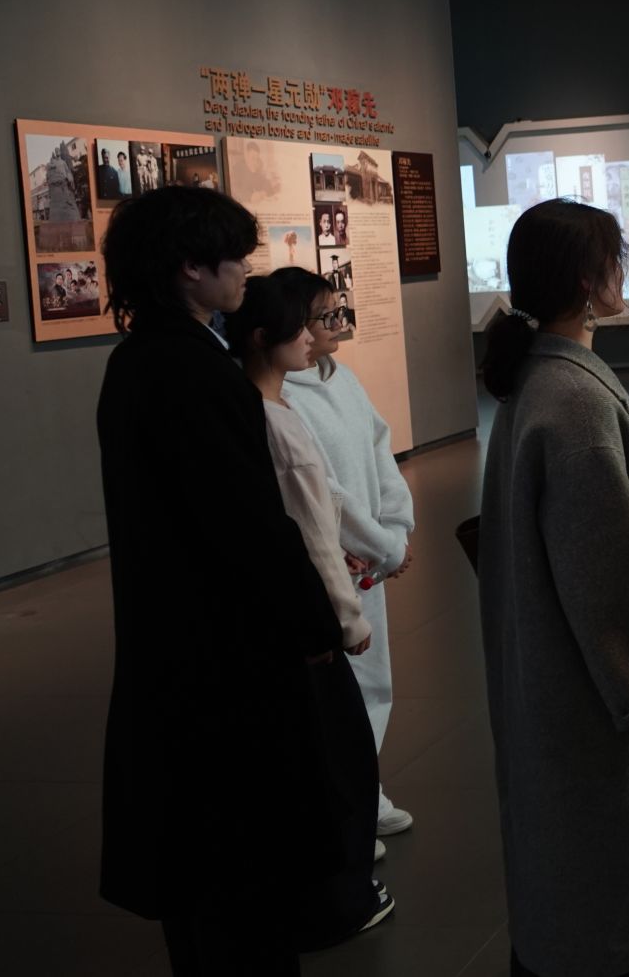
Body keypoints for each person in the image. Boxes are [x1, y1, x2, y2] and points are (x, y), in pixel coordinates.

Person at [94, 187, 372, 975]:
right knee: (242, 892)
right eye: (235, 257)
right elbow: (250, 527)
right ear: (190, 267)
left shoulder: (136, 362)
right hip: (227, 670)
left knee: (202, 896)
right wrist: (316, 625)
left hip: (176, 658)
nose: (247, 271)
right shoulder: (196, 374)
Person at [478, 199, 629, 977]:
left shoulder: (536, 383)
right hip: (599, 718)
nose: (623, 270)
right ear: (587, 280)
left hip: (554, 694)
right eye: (615, 257)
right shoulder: (574, 401)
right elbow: (607, 577)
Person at [227, 268, 393, 941]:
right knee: (337, 755)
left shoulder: (270, 405)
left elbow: (364, 467)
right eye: (303, 322)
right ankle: (339, 892)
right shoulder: (273, 417)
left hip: (315, 598)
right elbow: (317, 527)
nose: (314, 333)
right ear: (264, 335)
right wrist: (347, 617)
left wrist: (386, 533)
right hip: (316, 618)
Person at [286, 303, 419, 847]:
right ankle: (343, 808)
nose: (337, 323)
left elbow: (380, 450)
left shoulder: (342, 379)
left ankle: (365, 791)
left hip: (370, 563)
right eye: (323, 316)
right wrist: (377, 544)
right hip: (340, 560)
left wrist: (396, 529)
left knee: (373, 682)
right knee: (334, 693)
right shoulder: (282, 397)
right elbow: (323, 491)